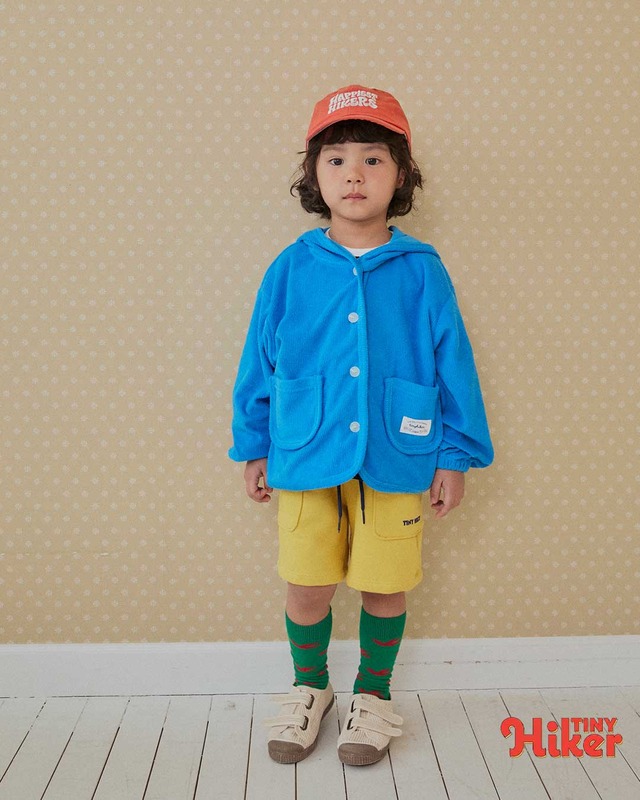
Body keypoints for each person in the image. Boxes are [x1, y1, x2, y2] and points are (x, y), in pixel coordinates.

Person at [228, 84, 494, 767]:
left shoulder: (422, 270)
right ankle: (310, 686)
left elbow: (453, 363)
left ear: (400, 175)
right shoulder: (291, 268)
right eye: (337, 159)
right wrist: (253, 444)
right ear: (314, 175)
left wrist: (454, 454)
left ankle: (372, 694)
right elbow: (260, 358)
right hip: (304, 449)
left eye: (373, 159)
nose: (354, 173)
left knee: (385, 581)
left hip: (398, 452)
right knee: (306, 582)